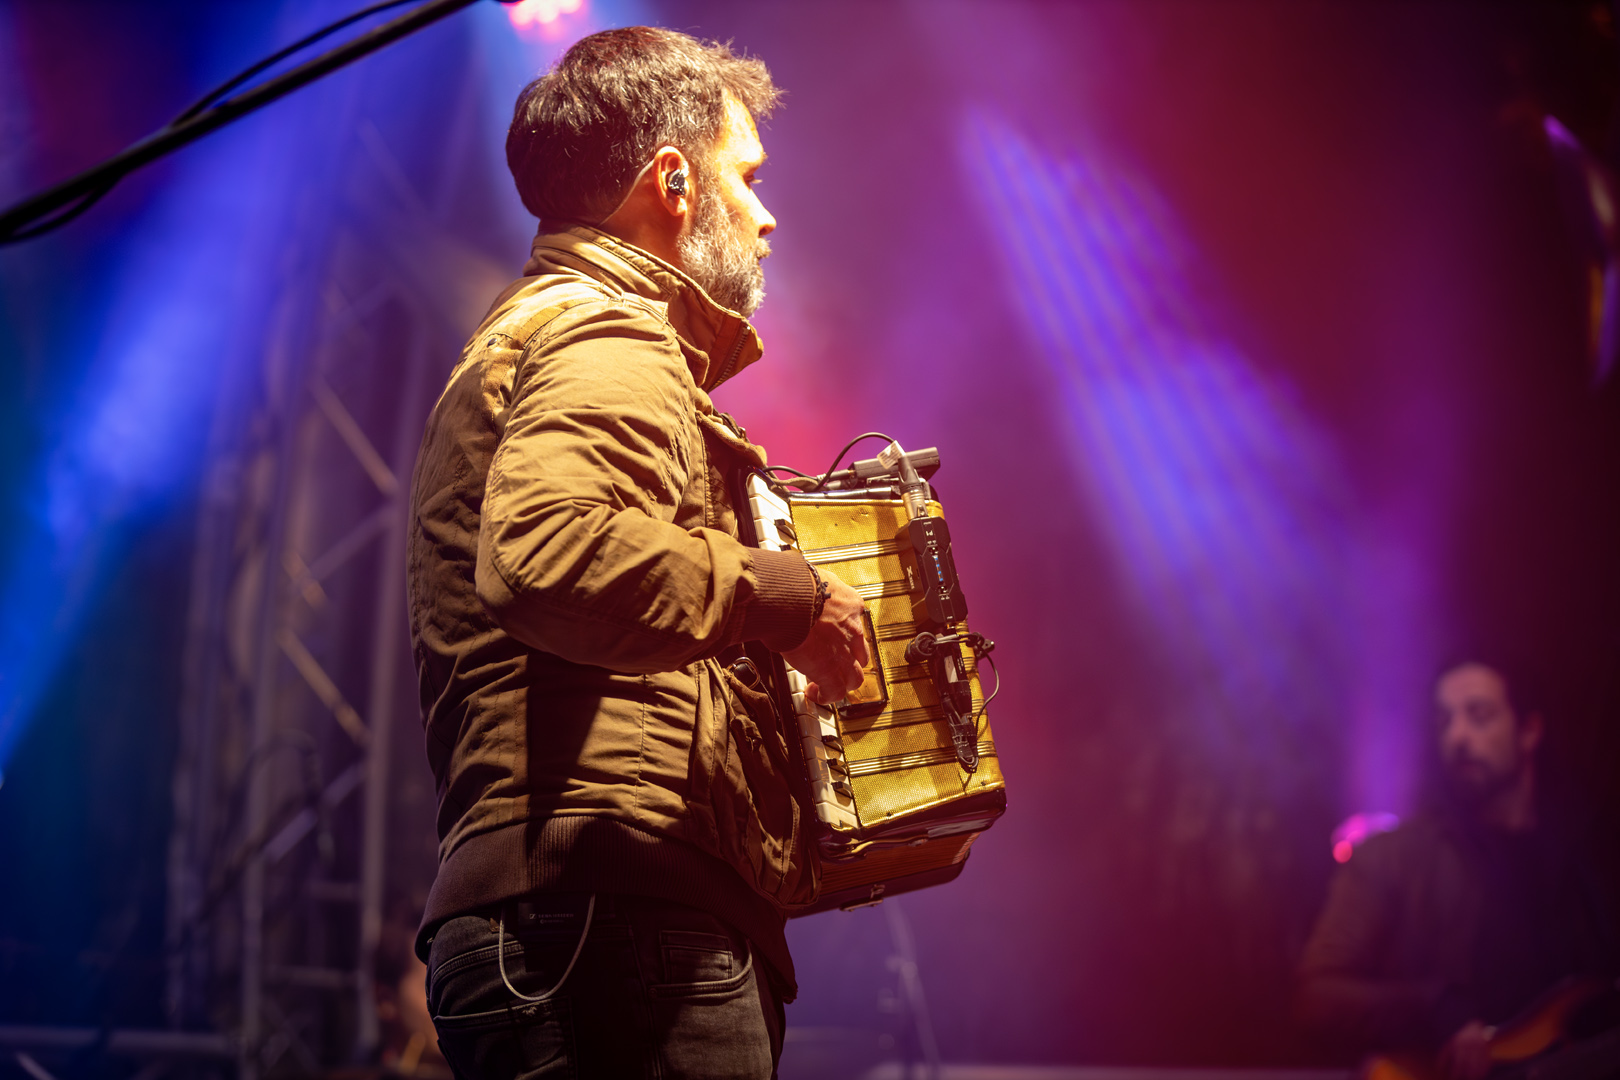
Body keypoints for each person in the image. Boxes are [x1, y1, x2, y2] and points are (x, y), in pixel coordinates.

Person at [404, 26, 870, 1079]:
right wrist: (790, 599)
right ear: (673, 182)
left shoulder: (536, 329)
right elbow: (548, 550)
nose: (765, 213)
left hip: (567, 922)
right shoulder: (610, 331)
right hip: (616, 920)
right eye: (745, 176)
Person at [1297, 659, 1616, 1078]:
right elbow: (1318, 995)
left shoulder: (1585, 860)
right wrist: (1433, 1010)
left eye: (1479, 715)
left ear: (1529, 731)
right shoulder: (1392, 858)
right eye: (1444, 721)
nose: (1457, 736)